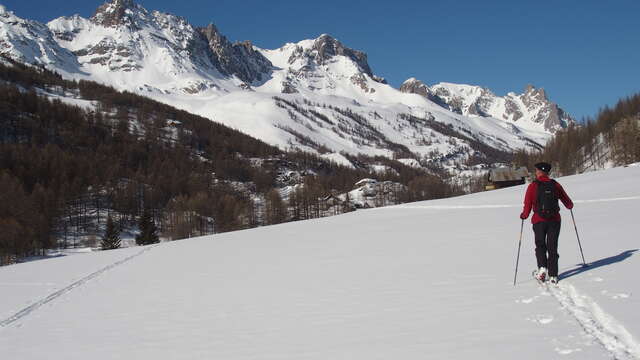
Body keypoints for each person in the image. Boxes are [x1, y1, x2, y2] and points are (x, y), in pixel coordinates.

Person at [520, 162, 573, 284]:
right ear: (547, 172)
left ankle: (542, 268)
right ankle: (553, 275)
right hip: (555, 220)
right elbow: (567, 200)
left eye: (536, 170)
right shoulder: (555, 185)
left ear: (539, 172)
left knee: (540, 245)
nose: (536, 172)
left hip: (539, 221)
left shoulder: (533, 186)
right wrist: (569, 206)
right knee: (552, 247)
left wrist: (524, 215)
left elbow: (527, 203)